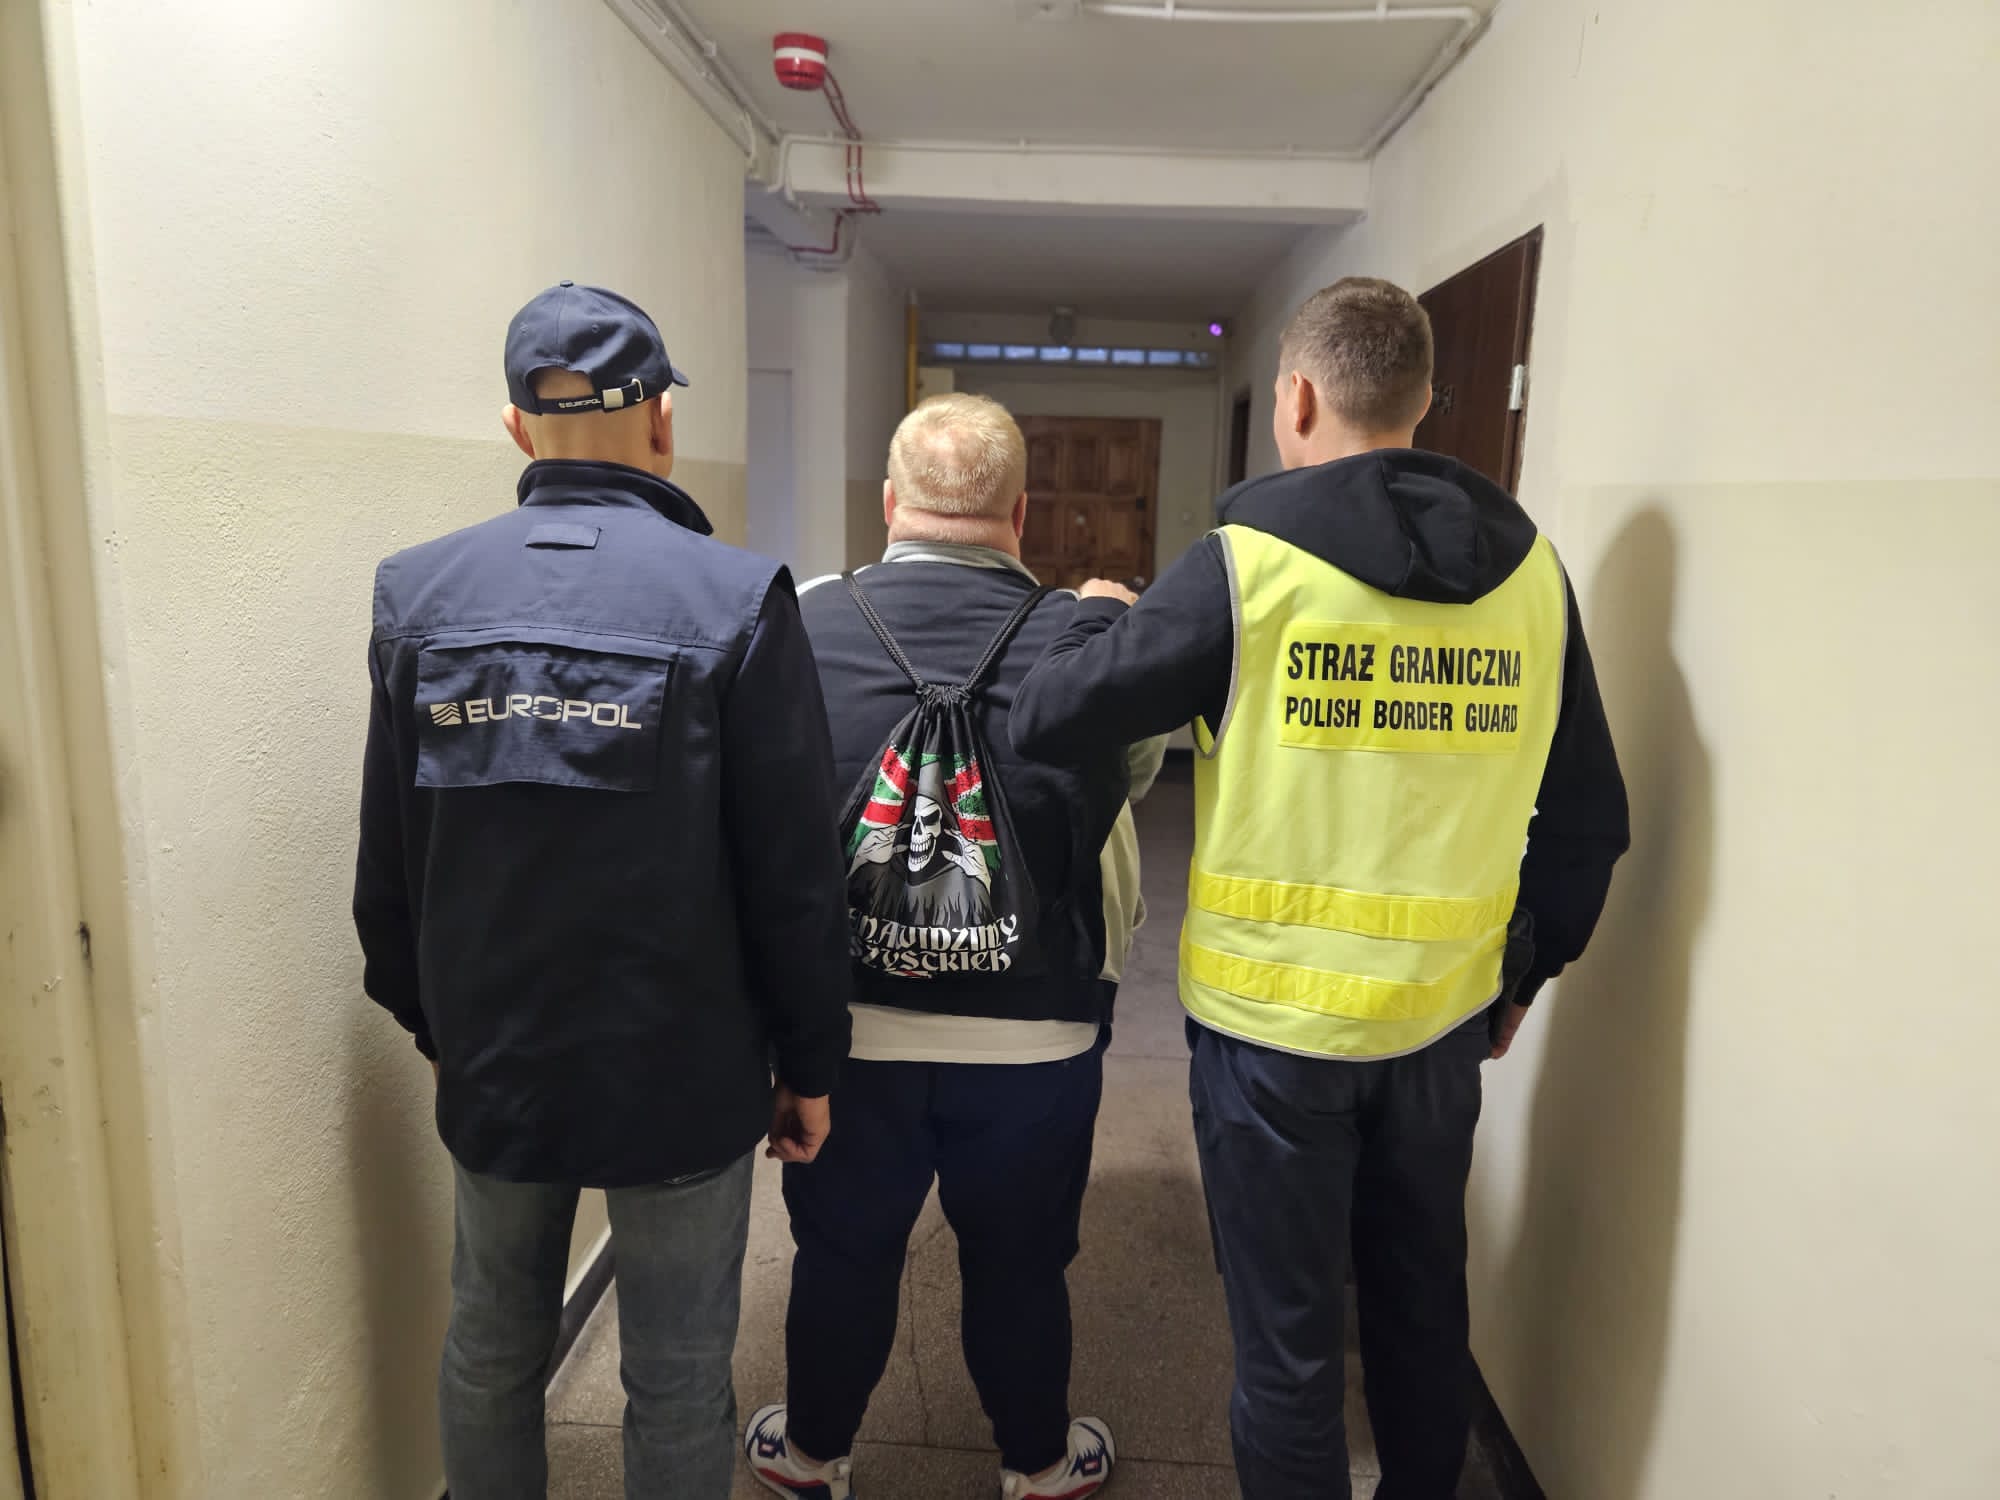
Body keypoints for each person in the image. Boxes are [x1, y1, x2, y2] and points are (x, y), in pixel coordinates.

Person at [1009, 279, 1630, 1500]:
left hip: (1270, 1035)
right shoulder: (1533, 577)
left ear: (1293, 398)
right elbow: (1586, 821)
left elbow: (1049, 718)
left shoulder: (1243, 569)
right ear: (1425, 401)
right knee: (1420, 1309)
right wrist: (1523, 971)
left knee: (1289, 1346)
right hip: (1439, 1022)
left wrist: (1086, 619)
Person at [353, 282, 853, 1500]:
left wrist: (436, 1028)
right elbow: (791, 876)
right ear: (663, 420)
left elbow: (388, 866)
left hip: (496, 1056)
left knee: (489, 1346)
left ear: (516, 429)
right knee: (676, 1374)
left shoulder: (417, 596)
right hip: (682, 1068)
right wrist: (809, 1062)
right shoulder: (737, 600)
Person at [743, 394, 1162, 1500]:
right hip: (1037, 1031)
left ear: (890, 505)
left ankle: (812, 1454)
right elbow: (1127, 779)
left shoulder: (801, 619)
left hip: (843, 1033)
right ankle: (1037, 1462)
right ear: (1020, 513)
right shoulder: (1083, 635)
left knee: (841, 1252)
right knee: (1020, 1262)